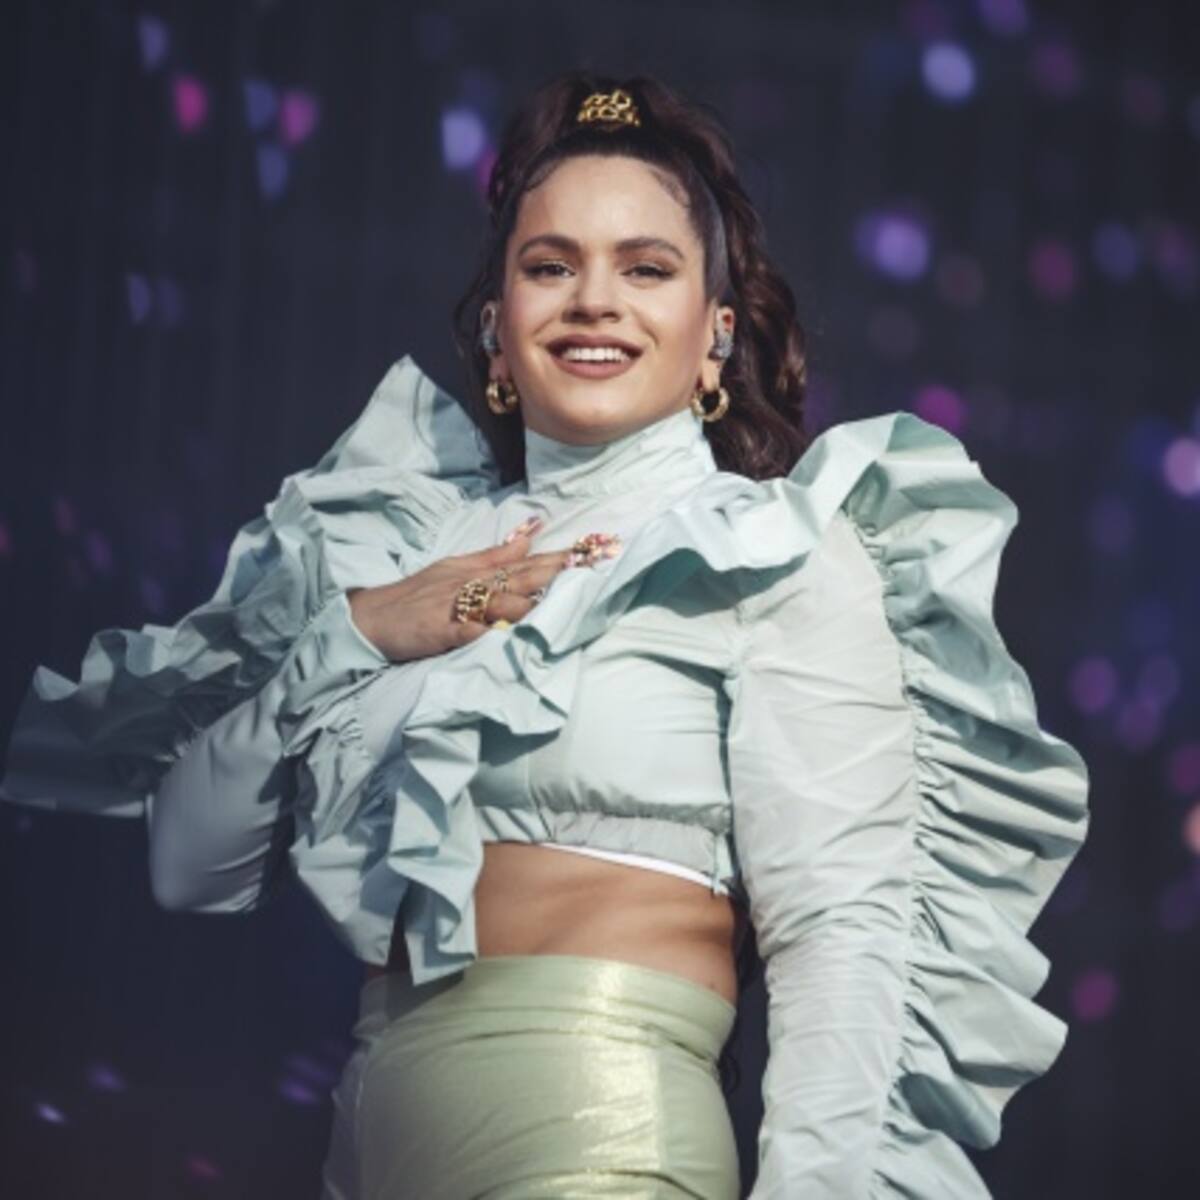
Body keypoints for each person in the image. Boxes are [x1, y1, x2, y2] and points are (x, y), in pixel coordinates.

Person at [0, 72, 1091, 1199]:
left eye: (646, 268)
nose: (594, 301)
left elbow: (845, 936)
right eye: (551, 265)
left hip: (600, 1147)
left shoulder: (773, 552)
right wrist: (360, 631)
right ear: (496, 323)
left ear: (715, 336)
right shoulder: (406, 543)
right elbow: (190, 865)